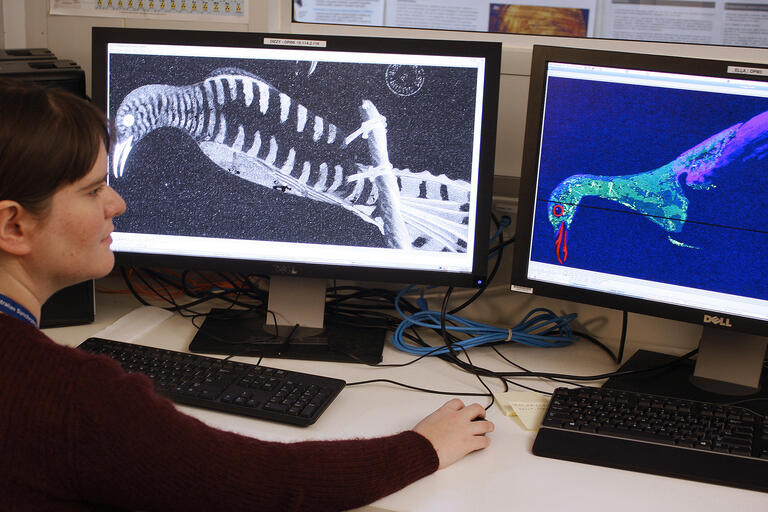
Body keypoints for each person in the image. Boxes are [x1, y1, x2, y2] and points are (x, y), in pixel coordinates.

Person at [0, 78, 494, 511]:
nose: (118, 203)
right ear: (13, 224)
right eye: (92, 190)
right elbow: (271, 485)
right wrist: (425, 446)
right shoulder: (71, 399)